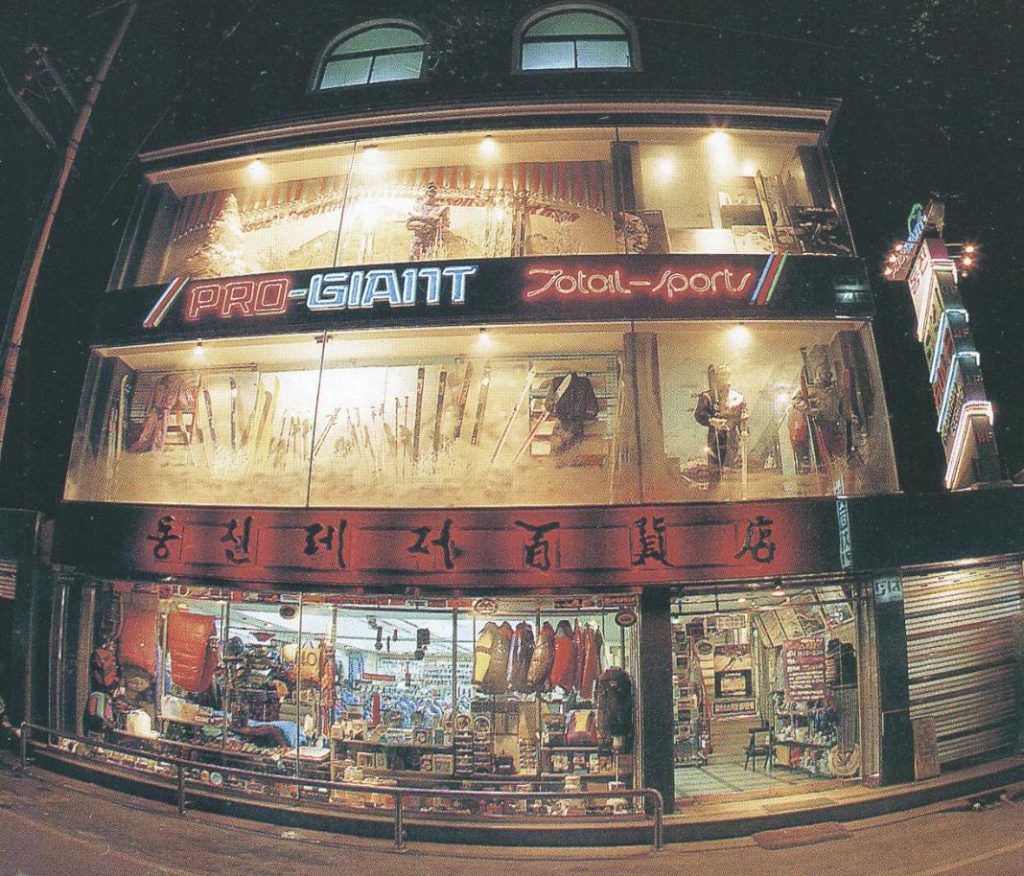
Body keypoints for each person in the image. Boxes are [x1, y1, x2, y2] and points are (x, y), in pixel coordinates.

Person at [694, 365, 747, 484]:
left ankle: (733, 492)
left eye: (725, 375)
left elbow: (742, 417)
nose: (723, 378)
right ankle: (716, 491)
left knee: (731, 471)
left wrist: (744, 431)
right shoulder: (707, 397)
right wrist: (711, 420)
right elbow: (699, 414)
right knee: (715, 472)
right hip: (715, 438)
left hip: (732, 438)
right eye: (720, 375)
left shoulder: (738, 397)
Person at [406, 182, 450, 260]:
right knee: (414, 261)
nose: (431, 193)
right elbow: (409, 224)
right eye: (430, 190)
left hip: (433, 242)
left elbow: (444, 227)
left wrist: (418, 218)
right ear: (425, 192)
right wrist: (425, 223)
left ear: (437, 194)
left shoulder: (441, 209)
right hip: (418, 241)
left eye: (434, 191)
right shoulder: (416, 207)